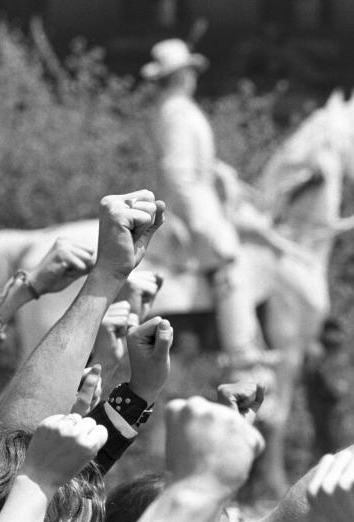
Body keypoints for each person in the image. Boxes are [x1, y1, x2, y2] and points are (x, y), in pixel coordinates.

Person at [142, 39, 263, 371]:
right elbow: (178, 172)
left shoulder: (175, 109)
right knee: (228, 259)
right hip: (192, 209)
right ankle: (242, 351)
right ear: (182, 75)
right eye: (190, 71)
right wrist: (200, 223)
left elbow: (196, 163)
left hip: (201, 200)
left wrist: (222, 173)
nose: (194, 76)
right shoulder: (177, 112)